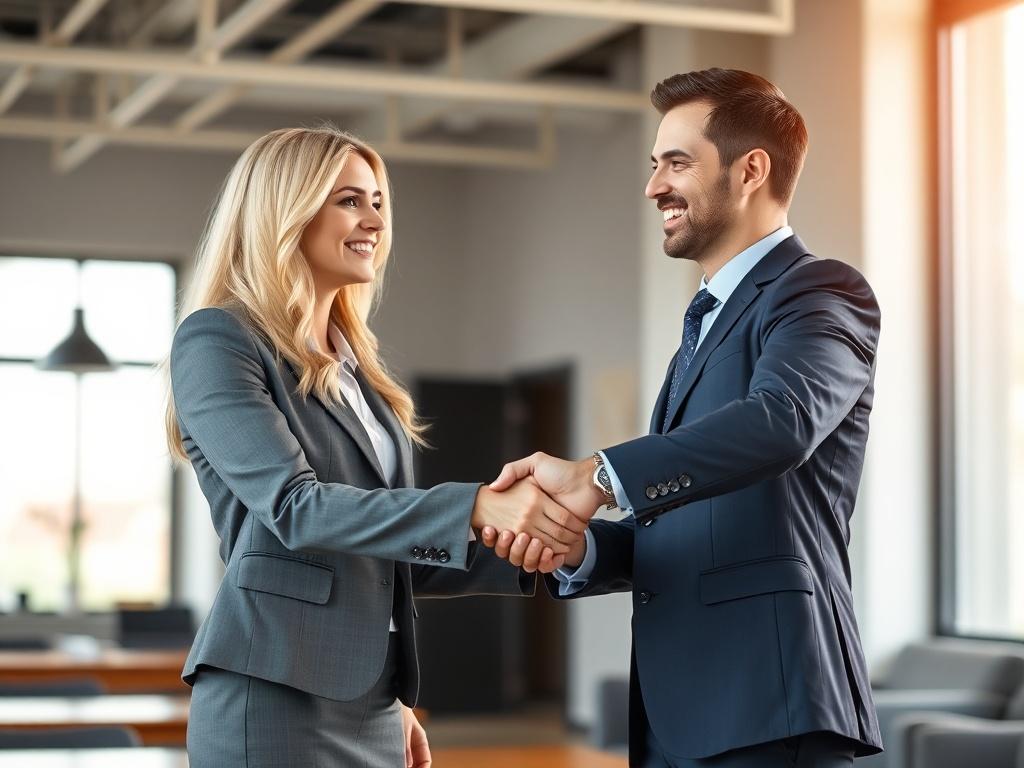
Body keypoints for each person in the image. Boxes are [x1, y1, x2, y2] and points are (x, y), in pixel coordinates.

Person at [485, 69, 884, 767]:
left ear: (750, 170)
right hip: (679, 714)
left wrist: (598, 478)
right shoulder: (703, 328)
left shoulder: (821, 292)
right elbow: (687, 537)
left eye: (676, 162)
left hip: (767, 704)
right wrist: (577, 546)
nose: (653, 187)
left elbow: (781, 422)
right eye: (654, 164)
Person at [165, 126, 584, 768]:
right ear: (287, 209)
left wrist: (561, 549)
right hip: (274, 696)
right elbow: (297, 509)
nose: (374, 221)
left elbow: (390, 553)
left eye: (379, 202)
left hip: (373, 701)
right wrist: (476, 506)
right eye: (349, 200)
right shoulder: (219, 339)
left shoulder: (354, 366)